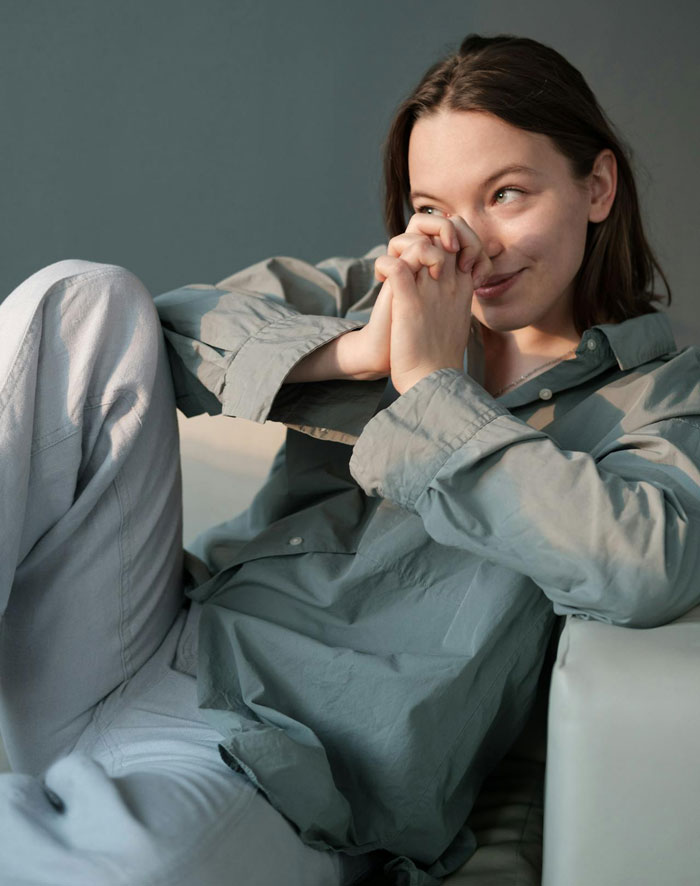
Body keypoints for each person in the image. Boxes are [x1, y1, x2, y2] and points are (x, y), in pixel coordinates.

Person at [1, 32, 699, 886]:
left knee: (117, 869)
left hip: (289, 765)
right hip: (143, 645)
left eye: (508, 193)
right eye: (434, 208)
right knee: (82, 297)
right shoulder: (378, 293)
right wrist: (361, 352)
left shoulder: (663, 398)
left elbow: (644, 566)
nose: (469, 245)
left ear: (596, 187)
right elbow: (157, 332)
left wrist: (434, 387)